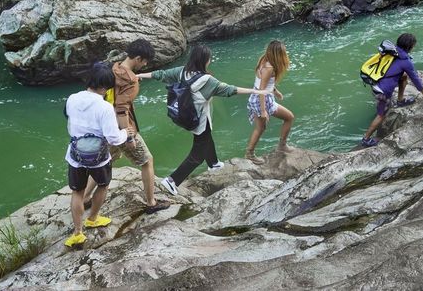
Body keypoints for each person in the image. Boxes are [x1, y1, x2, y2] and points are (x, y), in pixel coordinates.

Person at [139, 44, 271, 194]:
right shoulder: (208, 80)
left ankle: (213, 163)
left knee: (206, 136)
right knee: (197, 155)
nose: (210, 60)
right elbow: (230, 90)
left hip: (185, 114)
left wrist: (138, 76)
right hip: (197, 119)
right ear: (204, 61)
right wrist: (256, 90)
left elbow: (160, 74)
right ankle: (172, 181)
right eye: (209, 58)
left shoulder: (182, 71)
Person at [84, 39, 169, 214]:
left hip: (103, 125)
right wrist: (128, 136)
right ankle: (151, 203)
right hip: (121, 128)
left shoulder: (113, 68)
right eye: (145, 61)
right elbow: (121, 109)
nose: (145, 64)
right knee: (147, 160)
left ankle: (85, 197)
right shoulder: (130, 80)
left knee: (106, 161)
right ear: (138, 58)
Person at [64, 62, 133, 248]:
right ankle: (93, 218)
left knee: (77, 192)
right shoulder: (104, 108)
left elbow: (68, 118)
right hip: (98, 157)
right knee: (103, 185)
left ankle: (77, 233)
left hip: (76, 155)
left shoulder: (72, 98)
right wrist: (127, 133)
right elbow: (113, 137)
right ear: (105, 86)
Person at [361, 33, 423, 147]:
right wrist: (422, 91)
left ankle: (400, 100)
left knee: (403, 77)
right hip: (382, 92)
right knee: (381, 115)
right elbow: (415, 77)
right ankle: (366, 139)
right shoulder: (405, 61)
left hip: (375, 82)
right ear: (410, 46)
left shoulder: (391, 51)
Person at [245, 39, 295, 164]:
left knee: (287, 118)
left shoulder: (265, 59)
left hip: (262, 96)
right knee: (262, 127)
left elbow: (263, 84)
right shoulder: (269, 67)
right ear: (277, 54)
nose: (285, 54)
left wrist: (275, 91)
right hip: (260, 98)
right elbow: (262, 89)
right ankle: (249, 154)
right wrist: (263, 111)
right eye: (283, 52)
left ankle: (282, 145)